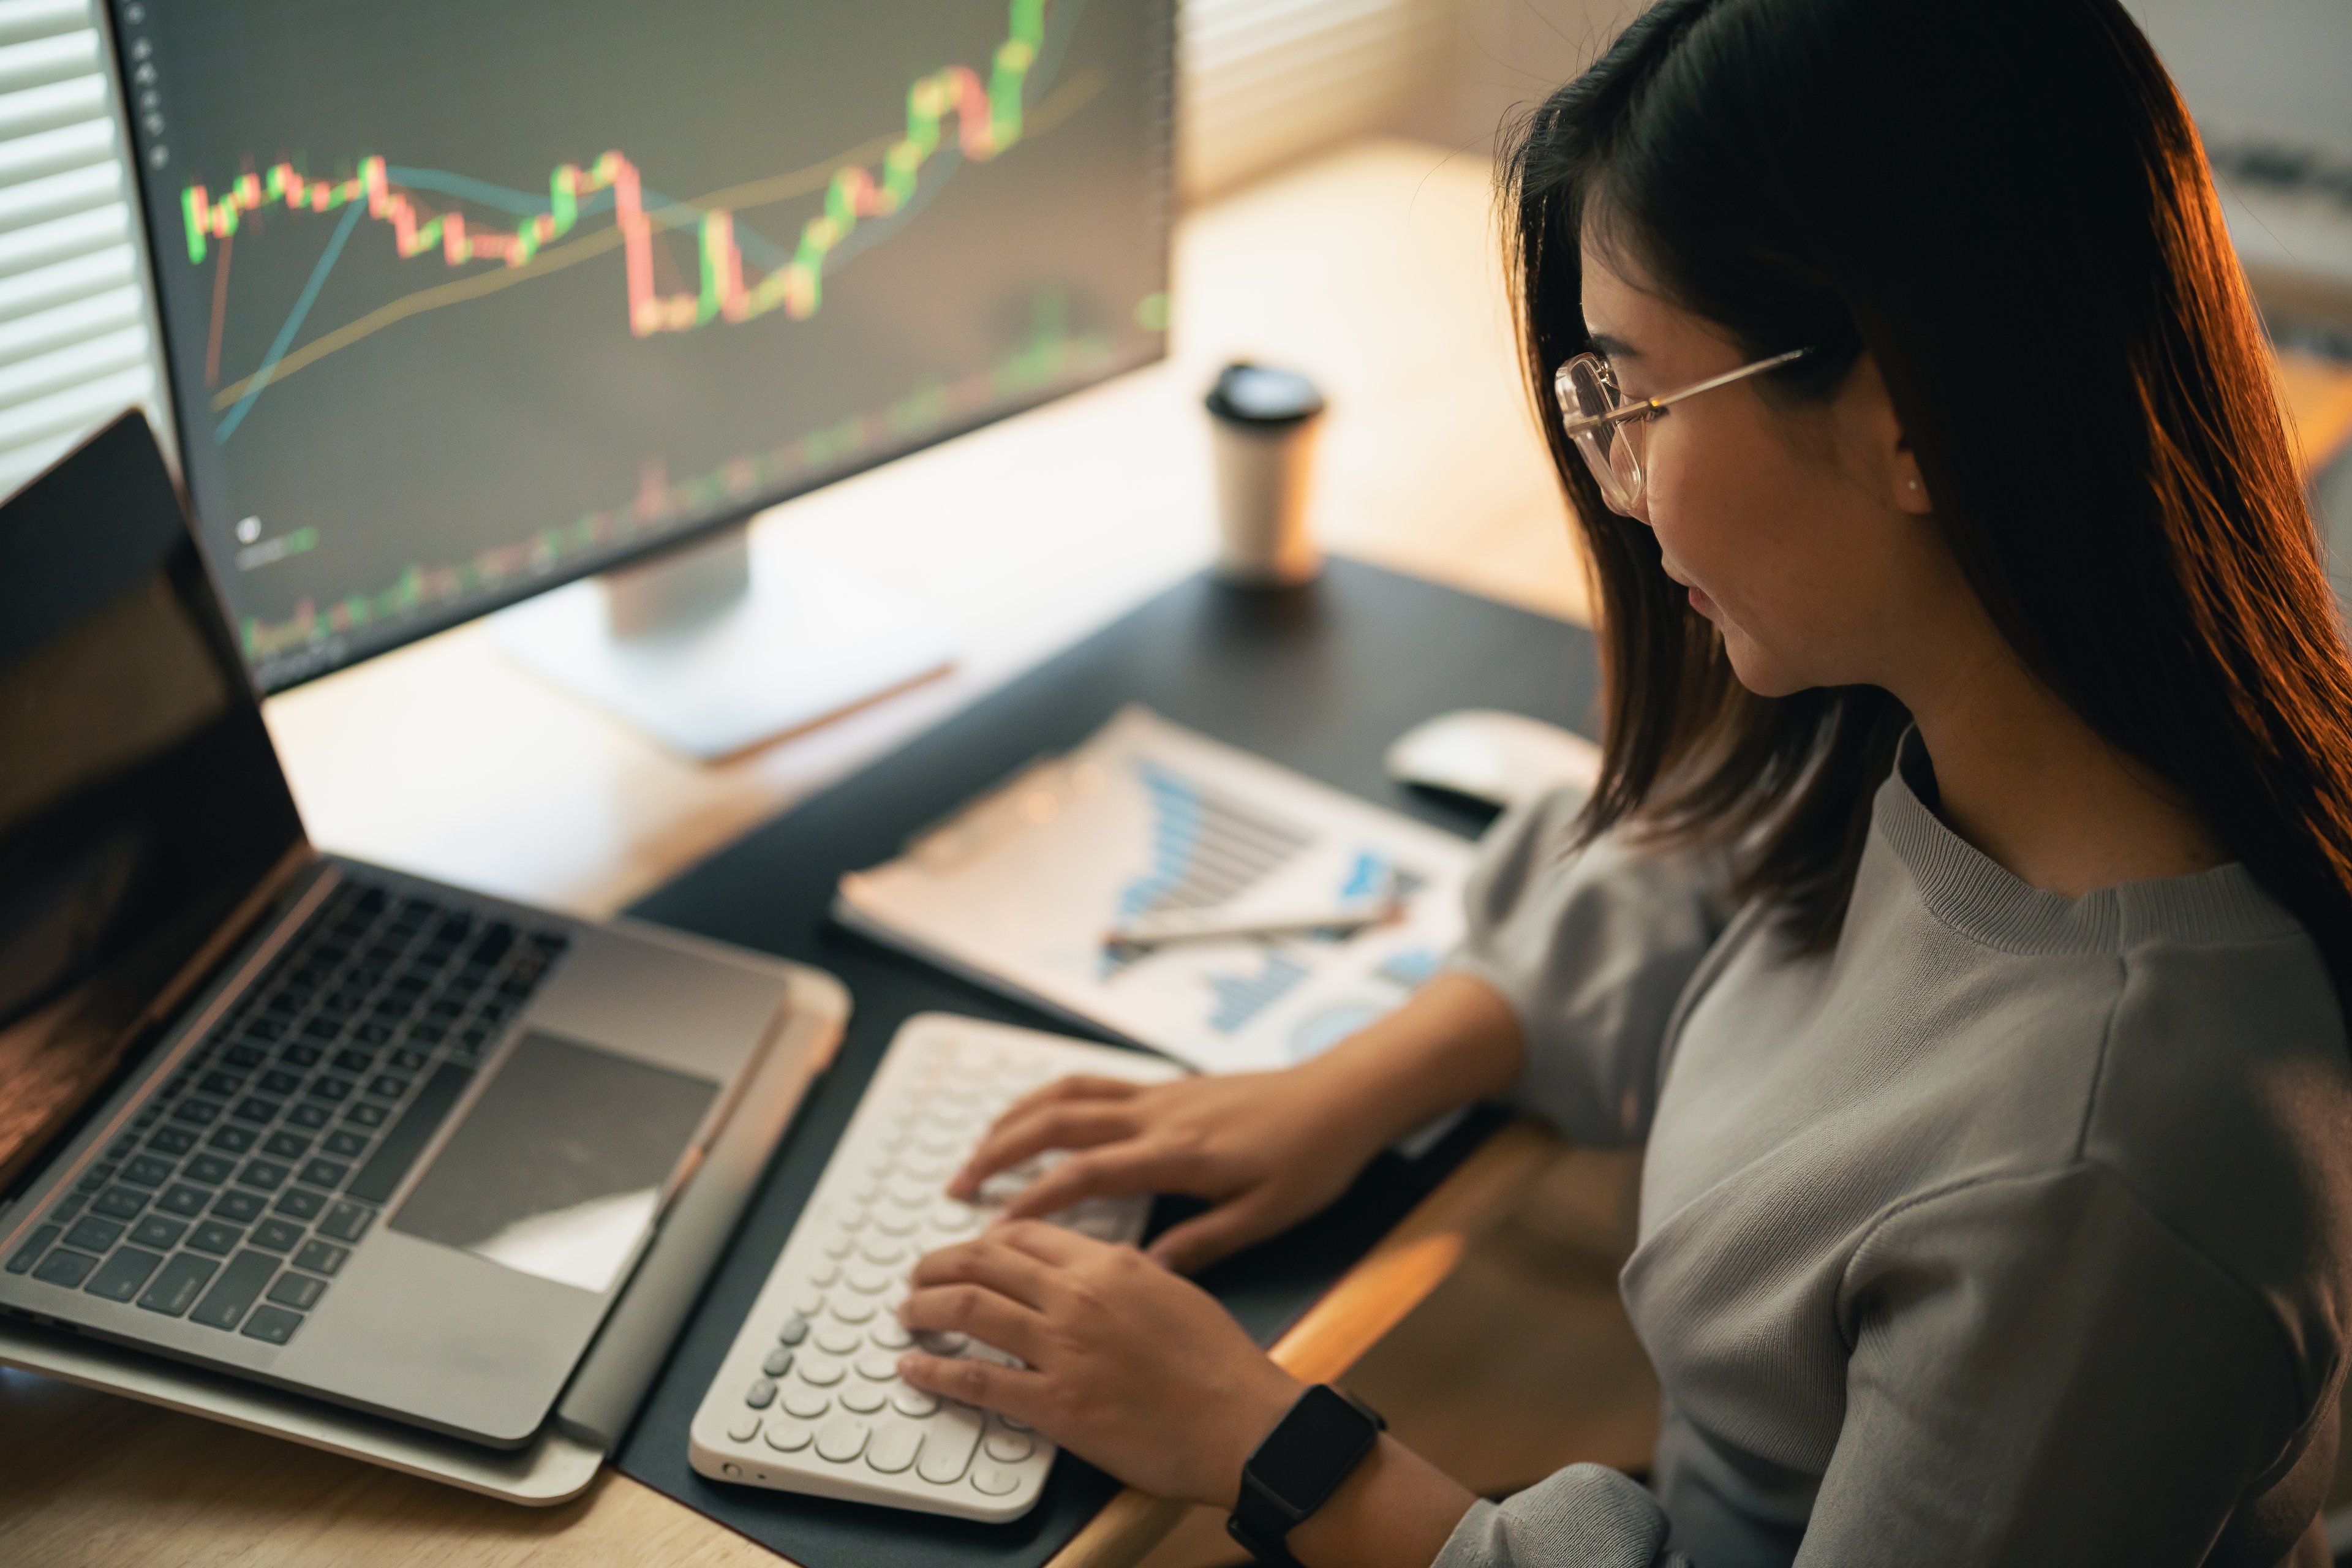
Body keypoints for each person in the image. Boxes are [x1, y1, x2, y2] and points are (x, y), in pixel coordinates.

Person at [892, 0, 2352, 1561]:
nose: (1623, 484)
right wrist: (1366, 1078)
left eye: (1635, 396)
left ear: (1911, 421)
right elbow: (1729, 855)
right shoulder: (1989, 730)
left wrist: (1267, 1441)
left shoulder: (2104, 1186)